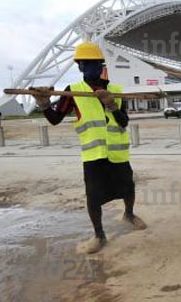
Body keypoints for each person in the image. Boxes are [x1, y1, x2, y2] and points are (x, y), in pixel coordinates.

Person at [31, 42, 146, 254]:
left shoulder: (117, 91)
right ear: (80, 67)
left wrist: (112, 105)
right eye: (86, 64)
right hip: (94, 155)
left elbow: (123, 122)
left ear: (101, 65)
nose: (91, 67)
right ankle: (99, 235)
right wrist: (45, 104)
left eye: (95, 63)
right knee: (94, 196)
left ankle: (128, 214)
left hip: (118, 153)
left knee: (128, 188)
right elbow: (55, 119)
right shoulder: (73, 92)